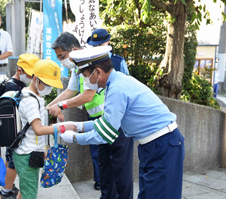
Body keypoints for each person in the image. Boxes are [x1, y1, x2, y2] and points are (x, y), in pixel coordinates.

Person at [60, 46, 185, 199]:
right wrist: (78, 126)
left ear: (98, 72)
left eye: (86, 76)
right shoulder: (116, 82)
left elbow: (104, 135)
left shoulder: (117, 88)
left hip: (162, 144)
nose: (86, 81)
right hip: (153, 146)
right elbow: (106, 123)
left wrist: (74, 138)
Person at [13, 59, 77, 199]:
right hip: (27, 155)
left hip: (28, 152)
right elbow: (38, 130)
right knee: (29, 194)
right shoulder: (30, 100)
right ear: (35, 78)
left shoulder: (32, 95)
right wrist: (61, 127)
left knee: (24, 191)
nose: (49, 88)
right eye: (47, 84)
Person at [47, 32, 101, 190]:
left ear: (74, 49)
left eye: (62, 56)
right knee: (96, 151)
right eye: (58, 57)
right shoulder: (76, 67)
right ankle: (101, 182)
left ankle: (106, 184)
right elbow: (69, 91)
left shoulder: (90, 62)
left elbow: (87, 96)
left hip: (107, 115)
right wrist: (48, 106)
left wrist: (61, 106)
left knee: (107, 155)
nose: (61, 61)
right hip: (93, 116)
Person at [85, 29, 133, 198]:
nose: (97, 47)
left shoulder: (118, 62)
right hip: (100, 117)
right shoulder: (89, 62)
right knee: (103, 161)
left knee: (121, 165)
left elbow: (126, 87)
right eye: (94, 45)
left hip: (119, 120)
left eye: (100, 44)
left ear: (109, 43)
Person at [0, 54, 39, 199]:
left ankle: (8, 190)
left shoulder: (17, 85)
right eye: (29, 73)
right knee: (14, 163)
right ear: (19, 70)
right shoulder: (13, 87)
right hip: (15, 135)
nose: (31, 76)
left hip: (14, 135)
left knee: (12, 162)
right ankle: (5, 192)